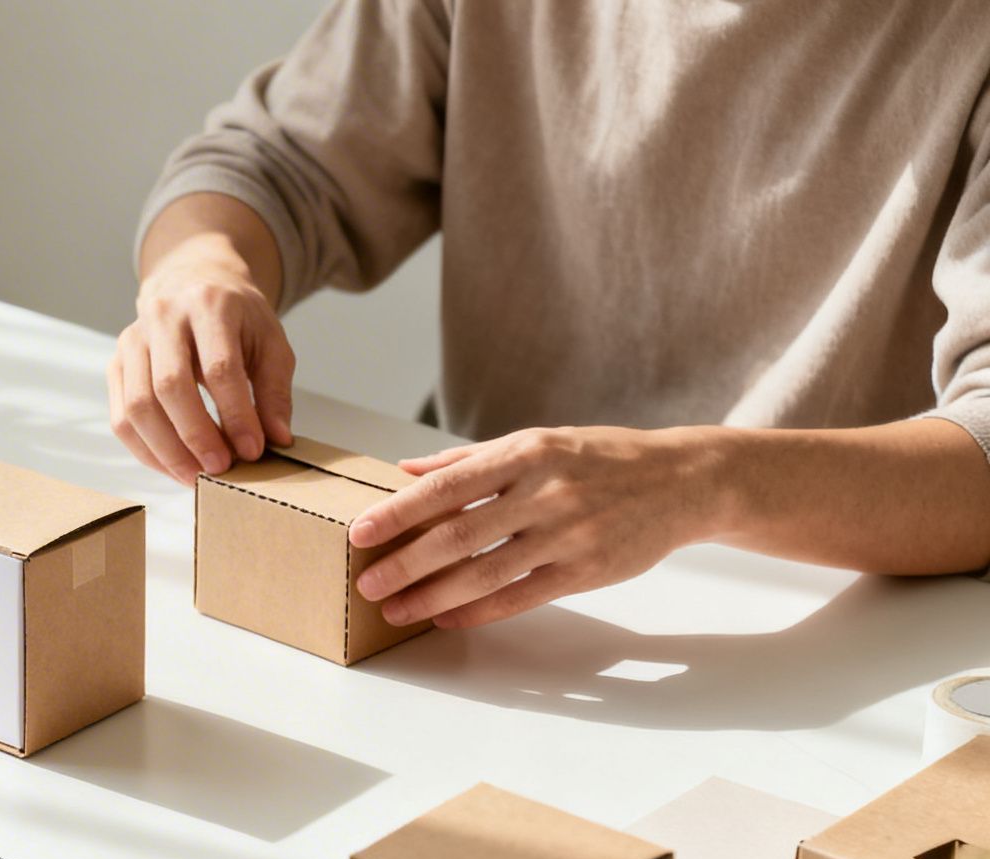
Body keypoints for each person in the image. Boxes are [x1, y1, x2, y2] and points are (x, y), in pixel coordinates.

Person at [109, 2, 990, 631]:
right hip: (468, 597)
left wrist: (697, 482)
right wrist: (200, 268)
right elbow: (274, 162)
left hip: (823, 637)